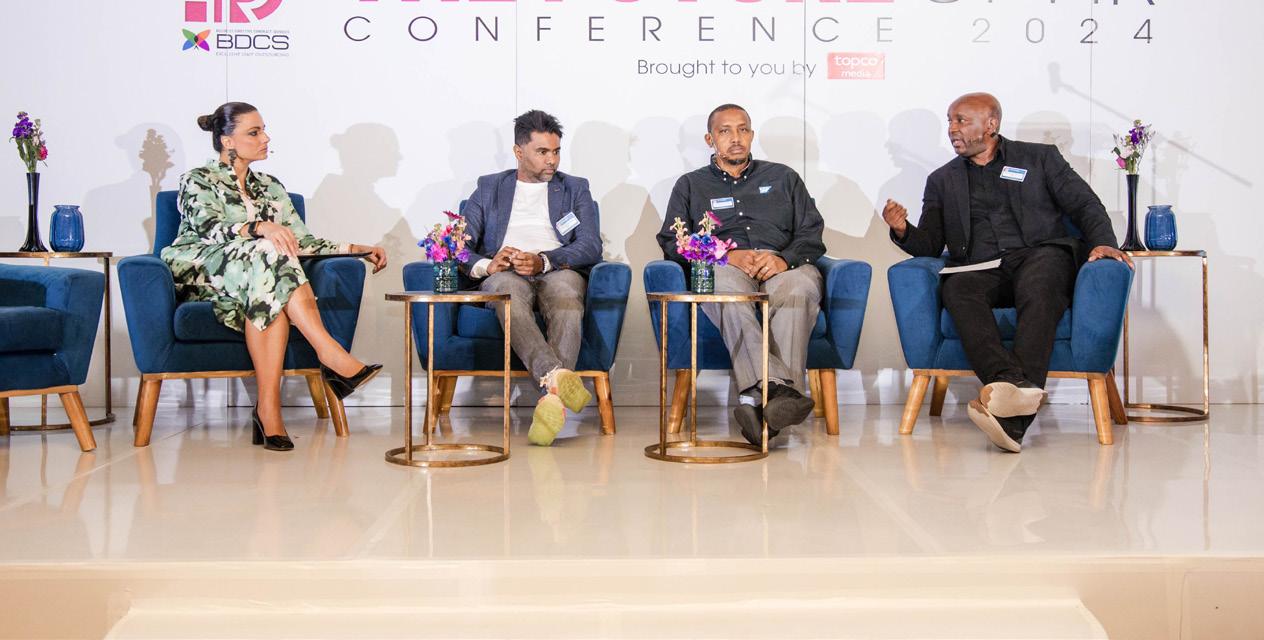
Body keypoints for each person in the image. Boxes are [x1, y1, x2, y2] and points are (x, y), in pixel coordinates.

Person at [881, 92, 1133, 453]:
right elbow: (931, 244)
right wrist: (903, 229)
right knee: (956, 287)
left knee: (1040, 282)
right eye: (950, 120)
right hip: (982, 267)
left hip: (1041, 255)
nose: (952, 128)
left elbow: (1084, 204)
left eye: (961, 120)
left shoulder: (1039, 158)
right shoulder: (942, 179)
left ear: (991, 124)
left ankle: (1012, 420)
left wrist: (1104, 242)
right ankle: (1012, 383)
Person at [162, 102, 386, 451]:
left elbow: (300, 241)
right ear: (227, 141)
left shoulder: (271, 186)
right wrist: (259, 227)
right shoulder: (197, 180)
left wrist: (354, 248)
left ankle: (268, 412)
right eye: (254, 132)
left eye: (264, 130)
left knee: (270, 283)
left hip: (257, 275)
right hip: (203, 269)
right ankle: (331, 354)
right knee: (269, 250)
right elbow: (208, 229)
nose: (265, 138)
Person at [656, 104, 825, 446]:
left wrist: (784, 260)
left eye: (742, 129)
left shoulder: (784, 177)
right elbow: (673, 242)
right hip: (726, 267)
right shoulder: (690, 185)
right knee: (727, 291)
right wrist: (724, 254)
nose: (736, 138)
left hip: (781, 267)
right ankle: (779, 395)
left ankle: (756, 403)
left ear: (751, 135)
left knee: (801, 288)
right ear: (710, 139)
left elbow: (812, 232)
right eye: (725, 131)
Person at [459, 110, 602, 446]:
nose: (552, 160)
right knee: (507, 294)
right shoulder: (489, 187)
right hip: (506, 273)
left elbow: (590, 245)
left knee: (567, 299)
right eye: (542, 152)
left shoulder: (574, 188)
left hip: (556, 268)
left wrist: (544, 261)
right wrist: (488, 265)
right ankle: (556, 381)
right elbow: (459, 247)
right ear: (518, 151)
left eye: (556, 151)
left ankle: (551, 399)